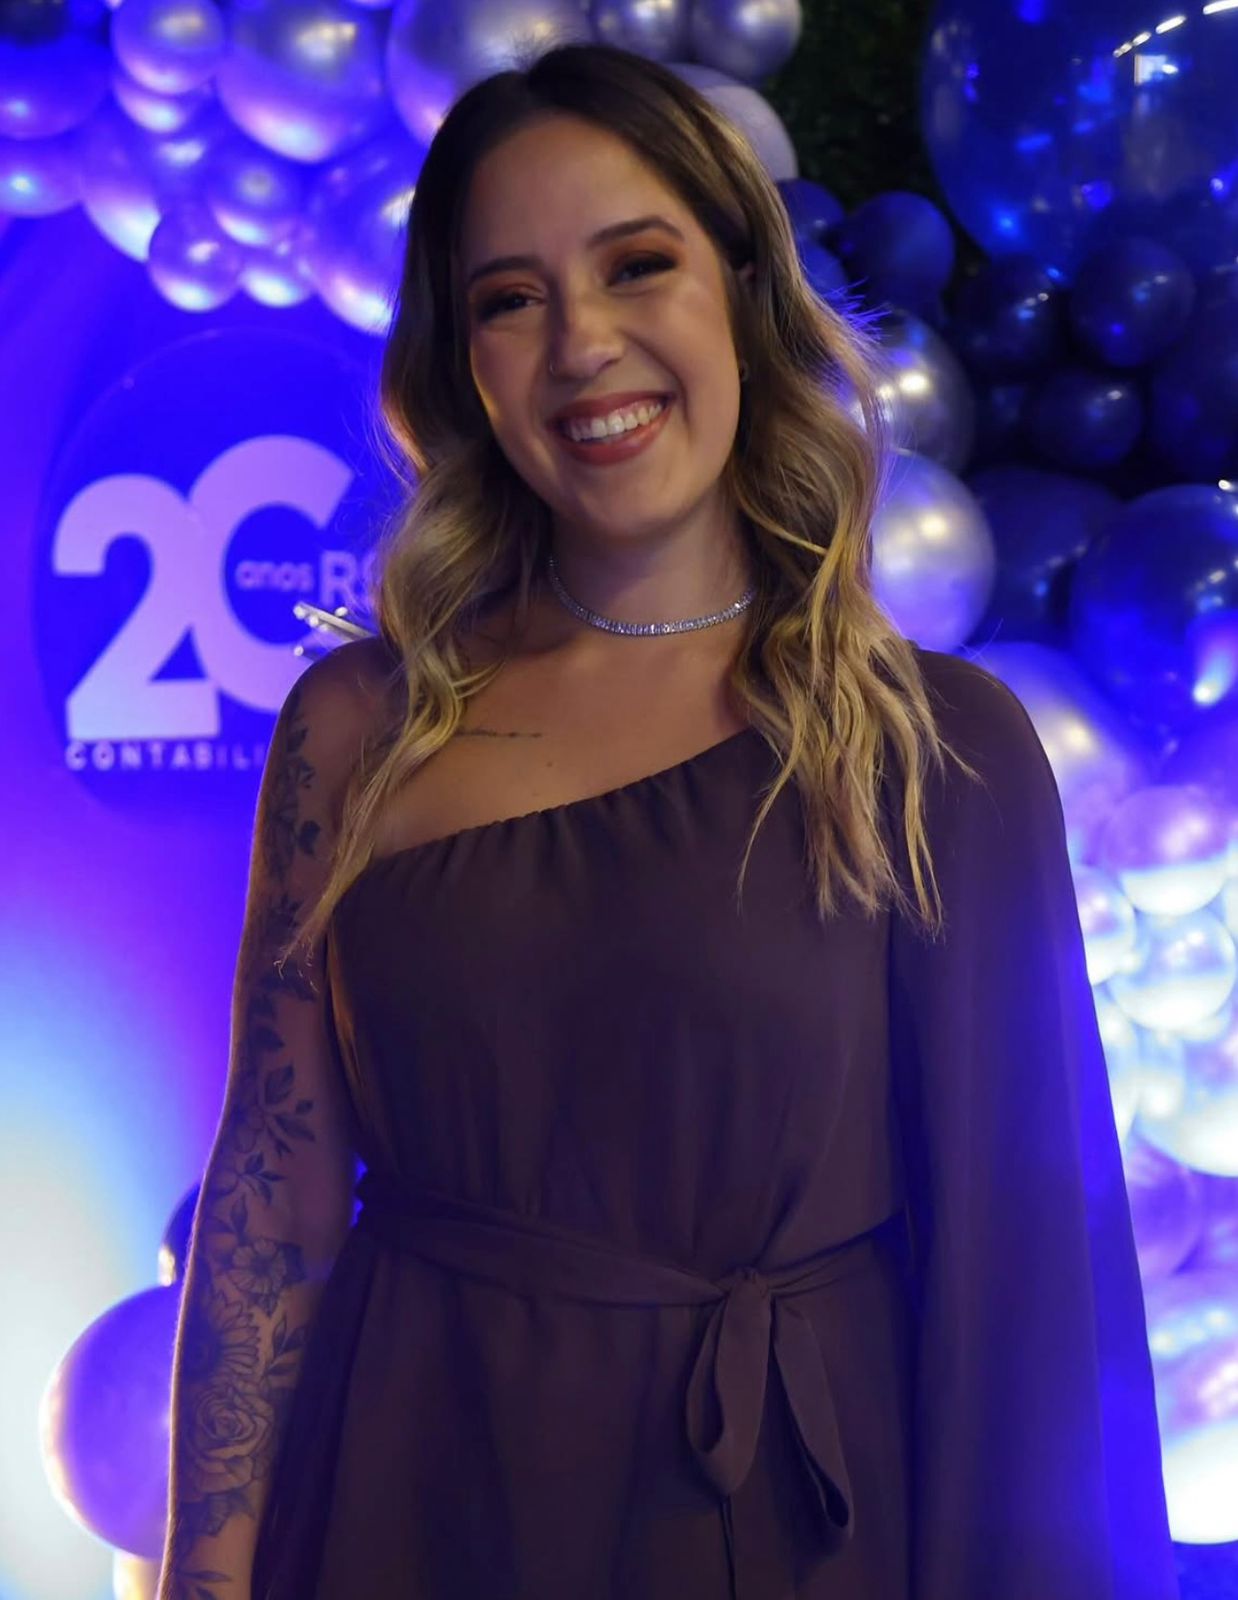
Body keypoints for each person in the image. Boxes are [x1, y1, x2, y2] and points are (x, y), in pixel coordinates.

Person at [157, 41, 1180, 1600]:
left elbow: (1024, 1315)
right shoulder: (359, 729)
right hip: (407, 1509)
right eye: (508, 299)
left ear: (741, 299)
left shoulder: (938, 753)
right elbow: (266, 1211)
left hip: (787, 1533)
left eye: (638, 266)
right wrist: (205, 1580)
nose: (581, 344)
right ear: (463, 364)